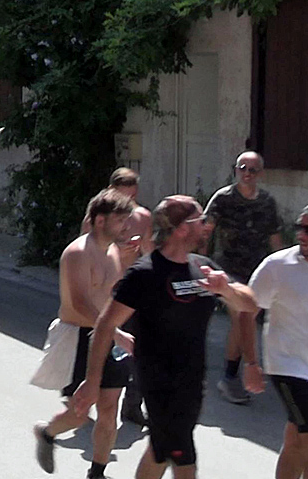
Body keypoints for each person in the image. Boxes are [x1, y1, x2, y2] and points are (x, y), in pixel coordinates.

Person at [71, 195, 260, 479]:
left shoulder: (203, 267)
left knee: (160, 452)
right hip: (158, 383)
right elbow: (106, 325)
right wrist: (93, 380)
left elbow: (250, 304)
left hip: (193, 380)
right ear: (182, 228)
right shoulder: (144, 274)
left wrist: (226, 290)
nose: (206, 226)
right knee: (183, 458)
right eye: (200, 221)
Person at [33, 189, 136, 478]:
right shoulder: (77, 253)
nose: (126, 227)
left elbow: (112, 294)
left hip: (109, 336)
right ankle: (48, 432)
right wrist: (116, 334)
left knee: (109, 409)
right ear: (100, 221)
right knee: (79, 414)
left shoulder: (114, 251)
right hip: (80, 337)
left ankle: (97, 472)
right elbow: (79, 302)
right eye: (120, 221)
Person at [203, 150, 284, 404]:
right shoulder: (223, 199)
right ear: (235, 170)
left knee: (248, 319)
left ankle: (243, 370)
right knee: (242, 316)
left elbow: (275, 238)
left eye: (252, 170)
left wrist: (285, 267)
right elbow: (206, 231)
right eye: (242, 168)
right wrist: (200, 263)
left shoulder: (267, 202)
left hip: (258, 271)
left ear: (260, 173)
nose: (247, 174)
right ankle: (229, 377)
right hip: (228, 270)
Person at [245, 204, 308, 479]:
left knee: (296, 441)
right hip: (288, 368)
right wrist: (251, 362)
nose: (302, 235)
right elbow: (246, 310)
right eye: (299, 227)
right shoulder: (278, 265)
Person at [81, 167, 156, 425]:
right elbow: (84, 250)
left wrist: (142, 248)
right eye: (123, 197)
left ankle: (132, 404)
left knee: (140, 348)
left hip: (136, 291)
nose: (128, 205)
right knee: (102, 345)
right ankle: (87, 395)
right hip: (106, 291)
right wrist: (115, 251)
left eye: (132, 197)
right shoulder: (96, 219)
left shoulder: (143, 217)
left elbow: (150, 254)